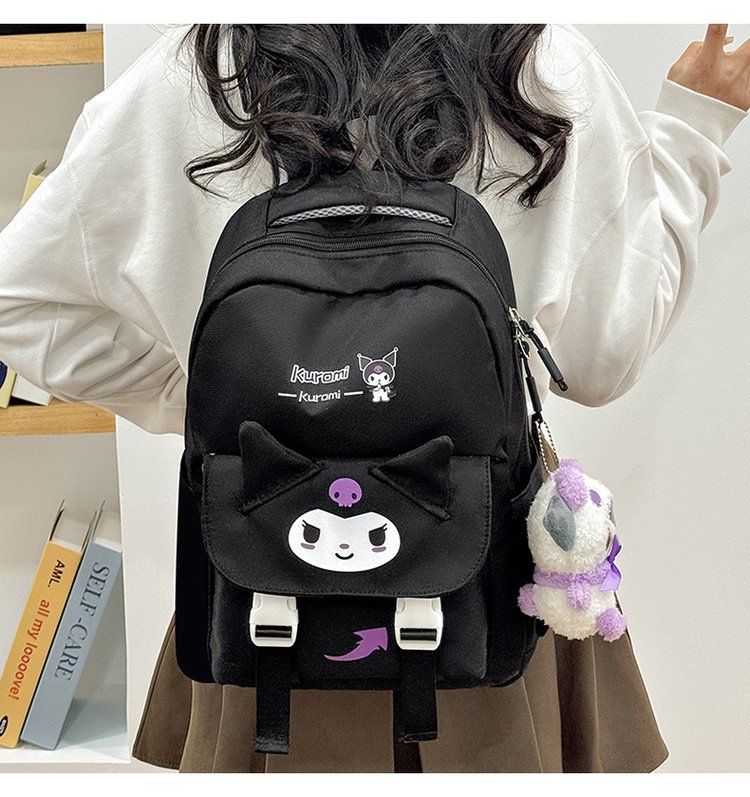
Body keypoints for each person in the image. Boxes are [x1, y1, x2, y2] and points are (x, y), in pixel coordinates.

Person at [0, 23, 747, 773]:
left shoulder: (195, 74)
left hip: (260, 572)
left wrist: (205, 400)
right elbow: (602, 360)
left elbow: (19, 301)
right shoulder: (541, 64)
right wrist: (693, 131)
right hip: (484, 575)